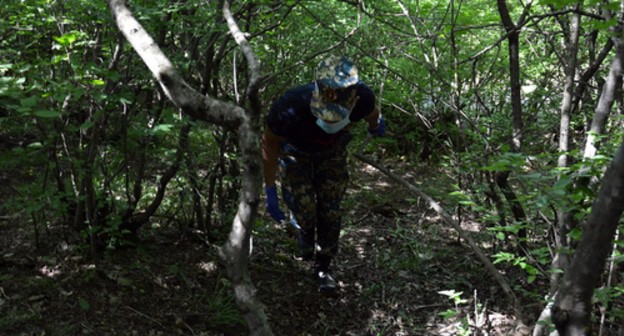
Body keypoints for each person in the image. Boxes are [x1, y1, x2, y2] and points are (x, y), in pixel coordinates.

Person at [262, 55, 385, 293]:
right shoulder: (290, 106)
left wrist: (375, 125)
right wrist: (269, 188)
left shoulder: (363, 99)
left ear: (354, 99)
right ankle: (305, 231)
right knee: (304, 209)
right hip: (295, 154)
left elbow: (372, 113)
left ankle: (324, 267)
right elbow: (269, 142)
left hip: (333, 154)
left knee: (330, 211)